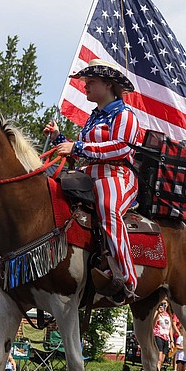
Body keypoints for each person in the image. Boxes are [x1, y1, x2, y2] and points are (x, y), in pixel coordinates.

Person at [45, 59, 140, 306]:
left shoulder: (125, 115)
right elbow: (82, 152)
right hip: (87, 176)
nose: (85, 86)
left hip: (116, 175)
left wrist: (77, 145)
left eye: (91, 82)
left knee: (108, 209)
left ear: (108, 85)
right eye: (85, 82)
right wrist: (59, 139)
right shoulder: (93, 118)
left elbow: (120, 148)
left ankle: (127, 278)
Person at [153, 300, 173, 371]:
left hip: (166, 337)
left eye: (165, 304)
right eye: (161, 303)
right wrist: (158, 313)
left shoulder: (168, 315)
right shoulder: (157, 313)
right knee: (159, 359)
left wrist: (172, 340)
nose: (163, 305)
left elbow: (170, 328)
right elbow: (153, 324)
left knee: (162, 360)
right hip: (158, 335)